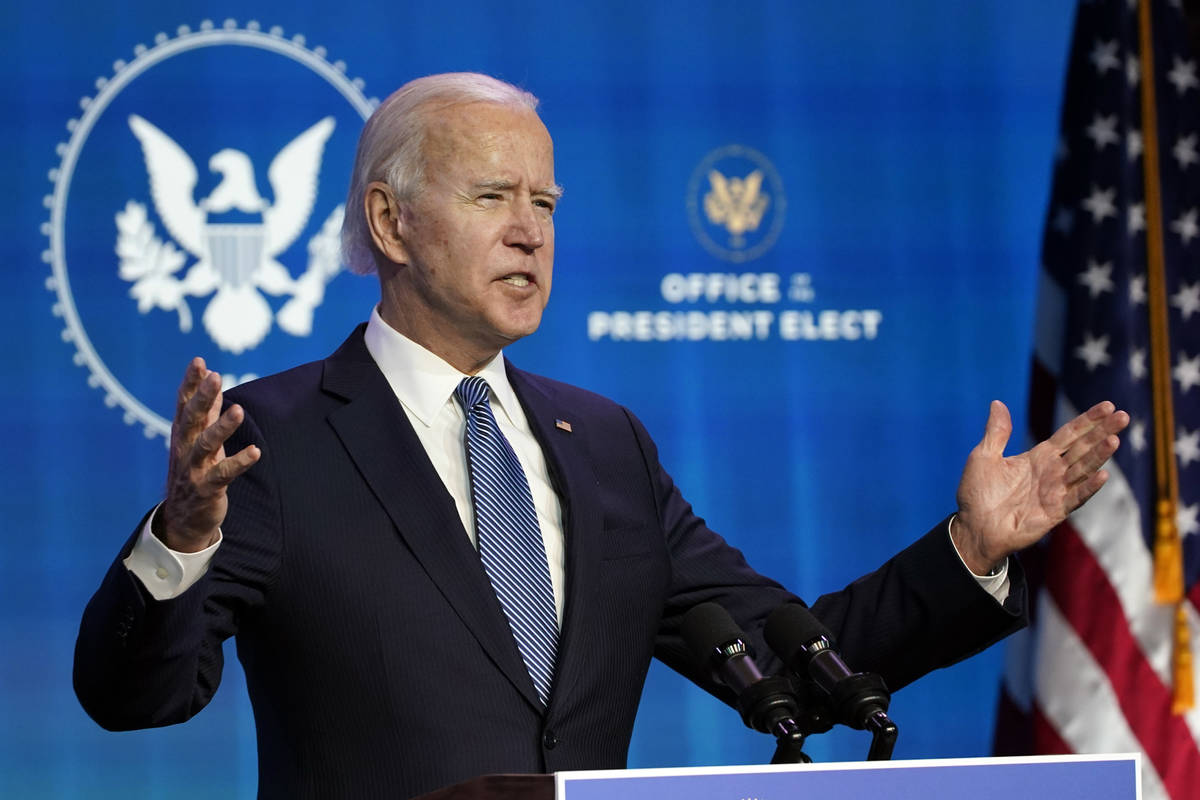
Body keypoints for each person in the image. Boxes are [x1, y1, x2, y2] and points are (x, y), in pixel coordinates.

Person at [74, 73, 1128, 799]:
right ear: (390, 224)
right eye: (492, 196)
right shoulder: (279, 437)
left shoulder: (604, 443)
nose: (532, 229)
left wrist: (973, 548)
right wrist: (181, 533)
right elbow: (136, 696)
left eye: (546, 200)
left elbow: (793, 662)